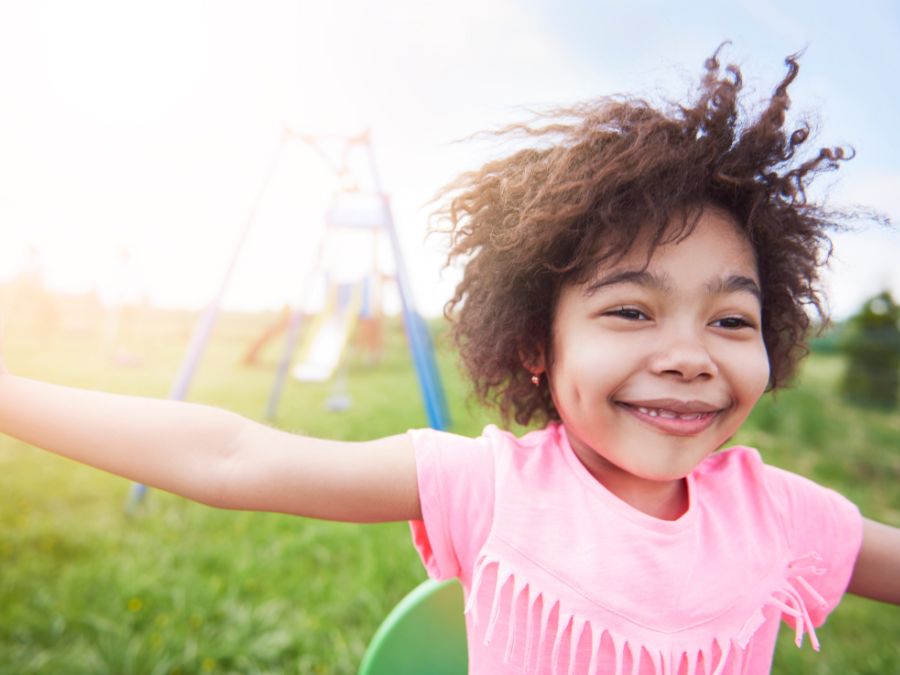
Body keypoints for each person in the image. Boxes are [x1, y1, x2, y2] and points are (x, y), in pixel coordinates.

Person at [1, 49, 898, 674]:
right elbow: (230, 456)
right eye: (631, 309)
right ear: (536, 346)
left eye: (732, 320)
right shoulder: (489, 487)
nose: (690, 356)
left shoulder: (778, 516)